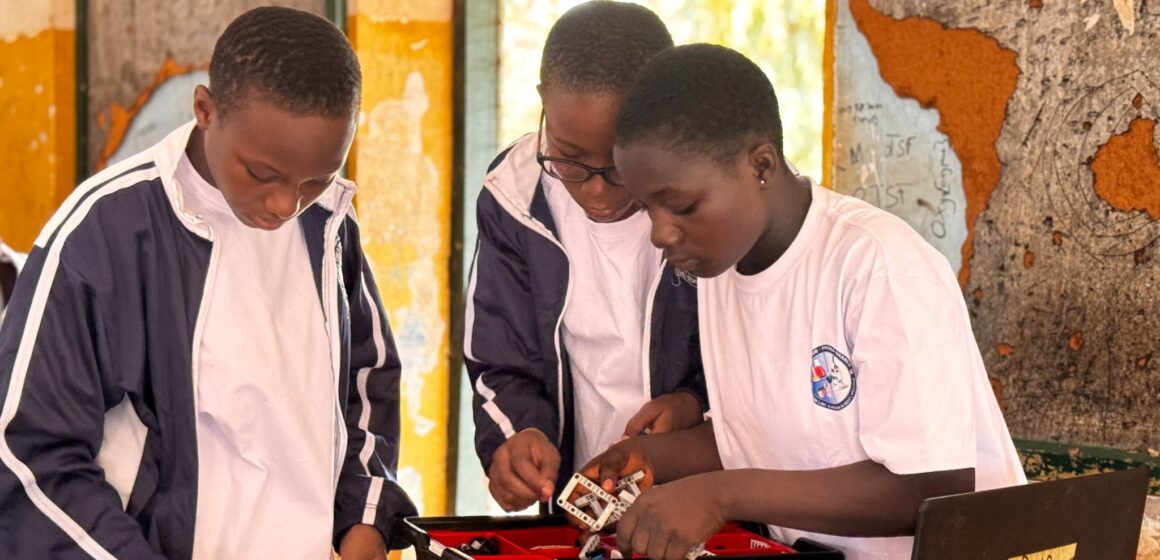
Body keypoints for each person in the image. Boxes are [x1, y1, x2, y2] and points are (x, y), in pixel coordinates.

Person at [583, 44, 1026, 560]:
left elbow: (930, 486)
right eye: (647, 208)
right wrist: (651, 457)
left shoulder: (877, 264)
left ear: (761, 165)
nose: (660, 234)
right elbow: (763, 432)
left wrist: (718, 494)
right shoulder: (720, 265)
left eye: (681, 206)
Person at [0, 7, 415, 559]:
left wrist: (366, 522)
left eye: (317, 179)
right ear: (205, 110)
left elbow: (366, 383)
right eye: (261, 174)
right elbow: (30, 456)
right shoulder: (105, 233)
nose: (283, 206)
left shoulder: (329, 226)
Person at [464, 1, 706, 513]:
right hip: (586, 503)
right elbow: (499, 355)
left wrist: (693, 405)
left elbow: (762, 364)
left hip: (706, 499)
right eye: (570, 159)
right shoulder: (514, 198)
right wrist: (517, 434)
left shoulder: (710, 198)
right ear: (543, 103)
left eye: (619, 165)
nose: (596, 192)